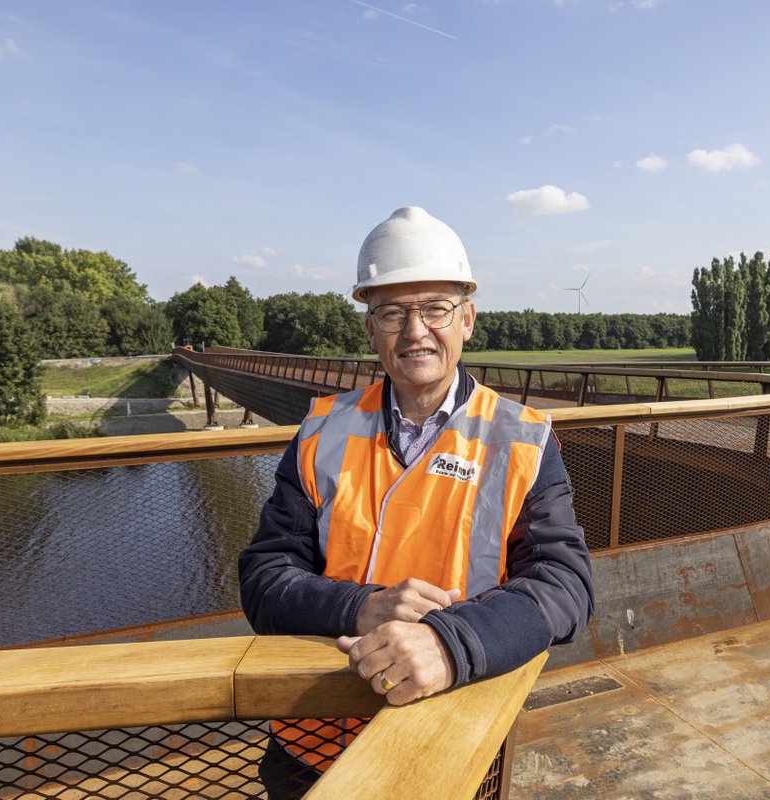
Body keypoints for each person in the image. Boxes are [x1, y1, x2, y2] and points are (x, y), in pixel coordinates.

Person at [238, 206, 594, 797]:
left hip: (449, 742)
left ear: (468, 320)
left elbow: (566, 585)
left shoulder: (522, 438)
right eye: (393, 313)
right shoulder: (323, 431)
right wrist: (359, 607)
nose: (415, 331)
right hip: (314, 748)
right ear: (370, 328)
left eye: (435, 308)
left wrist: (449, 644)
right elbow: (264, 577)